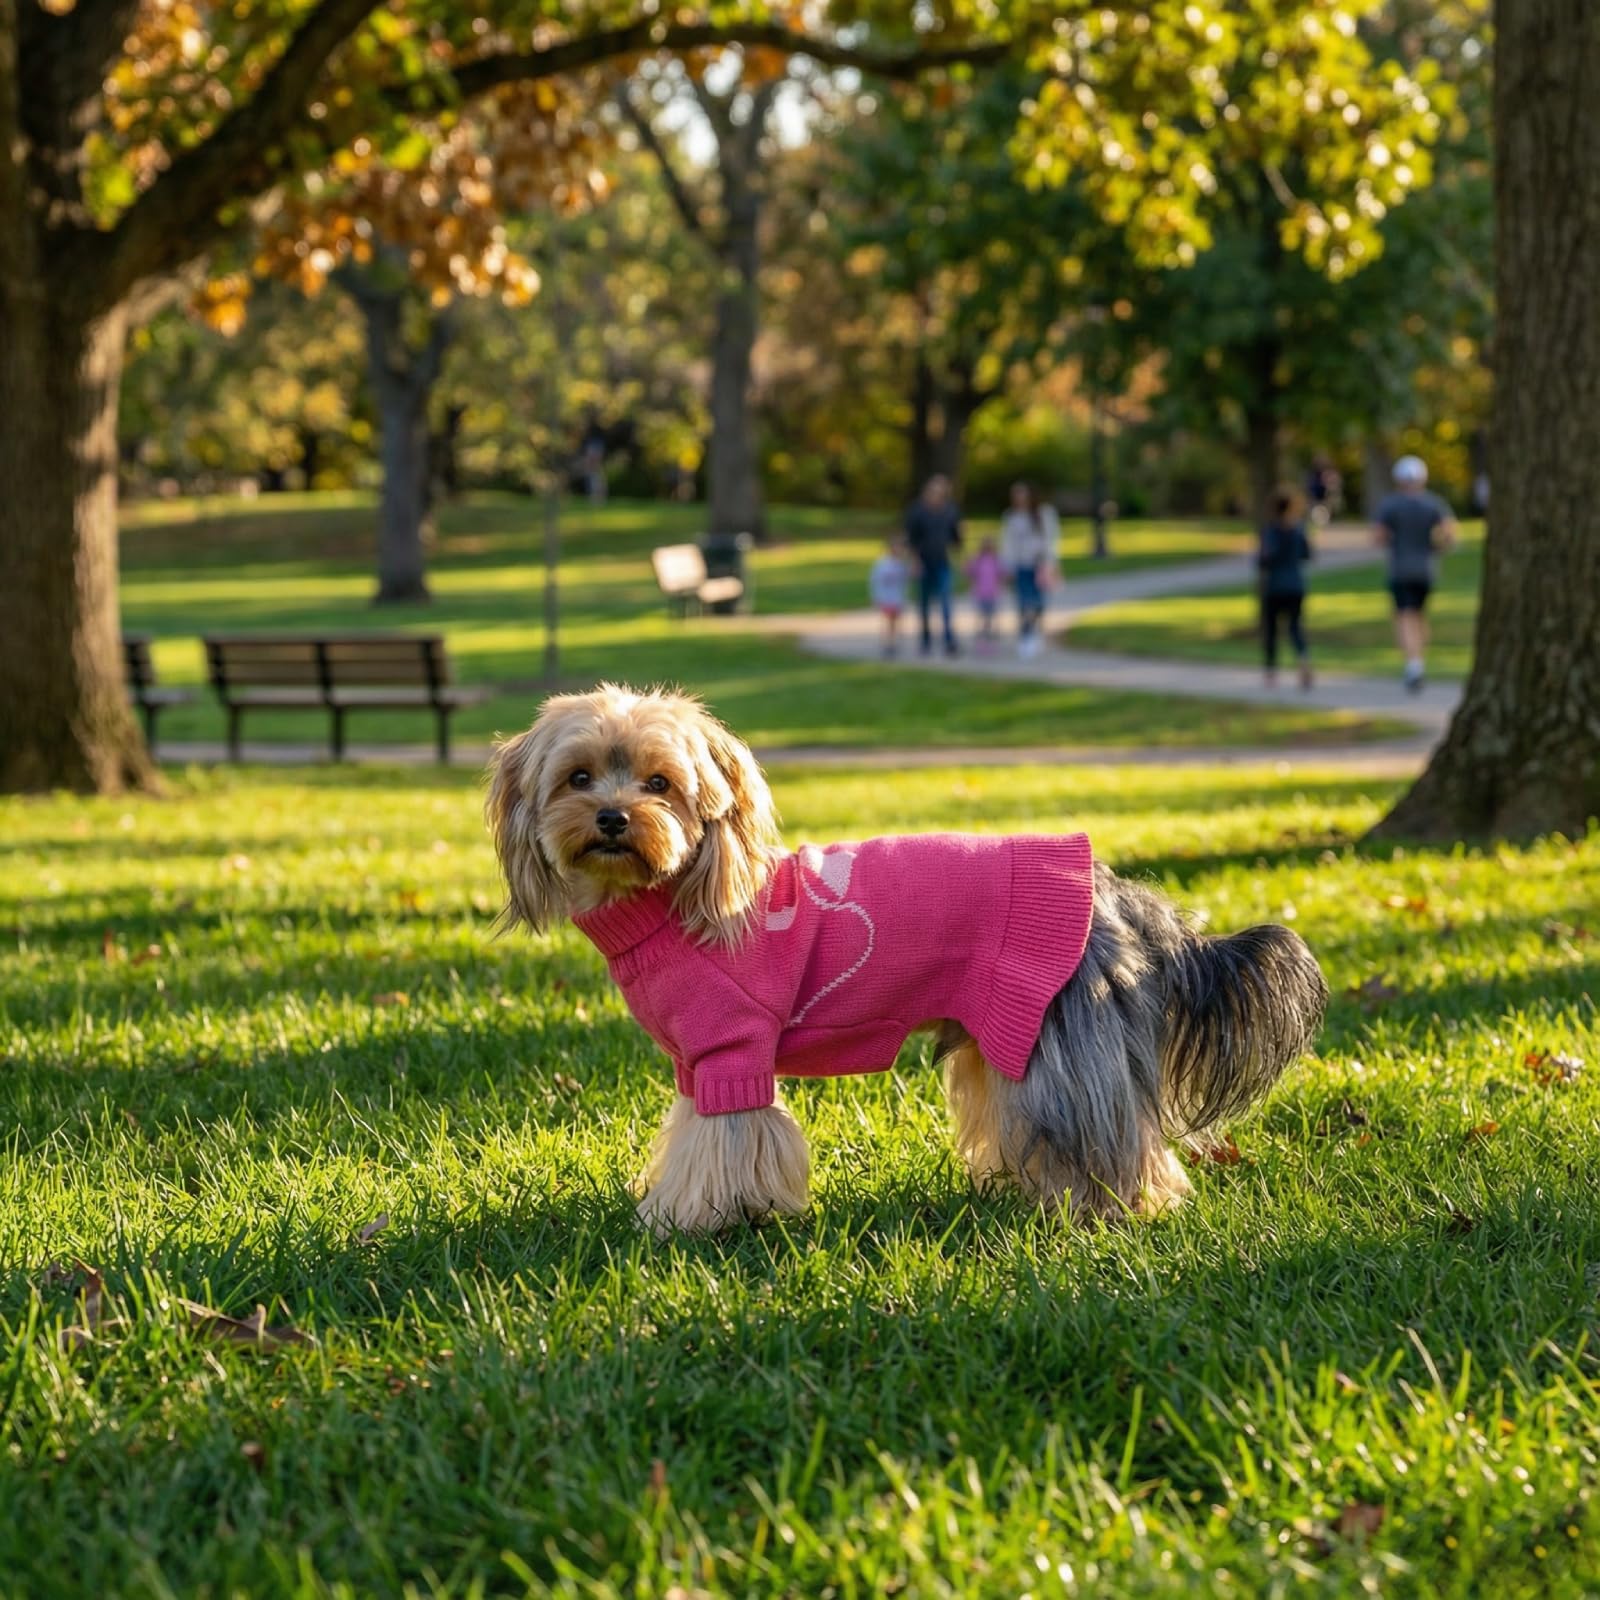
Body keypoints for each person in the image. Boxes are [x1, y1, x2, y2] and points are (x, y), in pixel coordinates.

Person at [1372, 454, 1458, 692]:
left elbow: (1378, 536)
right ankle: (1418, 660)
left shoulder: (1390, 505)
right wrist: (1436, 547)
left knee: (1405, 617)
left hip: (1401, 570)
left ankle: (1413, 665)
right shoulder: (1433, 503)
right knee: (1419, 616)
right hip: (1426, 570)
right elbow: (1450, 534)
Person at [1258, 486, 1315, 690]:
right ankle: (1303, 658)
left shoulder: (1270, 531)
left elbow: (1264, 559)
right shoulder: (1299, 530)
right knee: (1295, 627)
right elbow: (1307, 554)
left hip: (1275, 586)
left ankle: (1271, 672)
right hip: (1296, 584)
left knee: (1272, 630)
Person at [998, 481, 1061, 658]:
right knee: (1024, 603)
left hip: (1040, 566)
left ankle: (1034, 631)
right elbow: (1007, 544)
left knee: (1039, 603)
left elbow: (1052, 539)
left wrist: (1051, 562)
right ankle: (1026, 635)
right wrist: (1007, 567)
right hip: (1021, 566)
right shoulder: (1011, 517)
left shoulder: (1044, 514)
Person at [904, 474, 962, 655]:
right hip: (924, 561)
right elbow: (911, 539)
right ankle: (925, 639)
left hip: (942, 561)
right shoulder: (917, 512)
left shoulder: (950, 511)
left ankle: (949, 639)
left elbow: (956, 537)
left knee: (945, 600)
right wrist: (915, 561)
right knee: (924, 602)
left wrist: (958, 553)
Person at [868, 534, 912, 658]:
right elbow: (875, 581)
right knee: (888, 622)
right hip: (886, 598)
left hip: (897, 598)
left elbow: (906, 579)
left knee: (896, 622)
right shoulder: (882, 564)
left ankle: (893, 643)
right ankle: (887, 644)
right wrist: (876, 597)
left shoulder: (901, 564)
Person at [965, 536, 1005, 646]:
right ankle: (982, 637)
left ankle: (991, 636)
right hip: (980, 593)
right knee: (982, 617)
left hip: (993, 593)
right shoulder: (978, 560)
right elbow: (969, 572)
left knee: (991, 616)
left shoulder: (995, 559)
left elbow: (1002, 573)